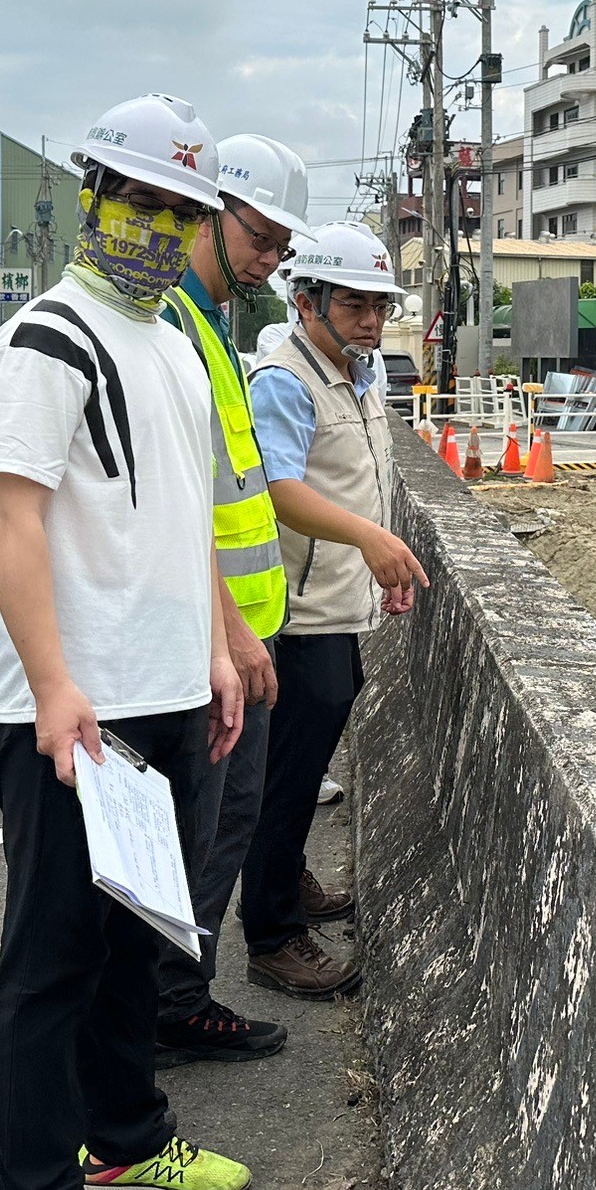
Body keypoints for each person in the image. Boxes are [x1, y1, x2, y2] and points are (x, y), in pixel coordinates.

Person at [0, 94, 253, 1190]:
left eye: (178, 207)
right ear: (92, 193)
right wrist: (50, 686)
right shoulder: (46, 334)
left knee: (138, 944)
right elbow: (8, 515)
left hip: (170, 688)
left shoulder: (176, 338)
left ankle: (128, 1136)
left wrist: (220, 649)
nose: (156, 223)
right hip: (81, 708)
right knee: (49, 965)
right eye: (137, 196)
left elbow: (184, 517)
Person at [240, 222, 428, 999]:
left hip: (339, 603)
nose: (371, 322)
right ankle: (273, 933)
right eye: (354, 304)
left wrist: (374, 564)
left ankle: (289, 883)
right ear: (305, 300)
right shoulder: (285, 379)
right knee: (285, 779)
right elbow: (281, 490)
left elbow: (360, 478)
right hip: (300, 611)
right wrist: (371, 540)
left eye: (379, 307)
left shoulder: (357, 371)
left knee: (308, 761)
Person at [153, 134, 308, 1064]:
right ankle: (169, 1004)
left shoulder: (212, 322)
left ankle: (176, 995)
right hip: (212, 632)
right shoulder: (174, 323)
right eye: (259, 235)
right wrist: (233, 632)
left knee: (225, 819)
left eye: (282, 247)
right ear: (211, 213)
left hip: (238, 624)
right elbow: (178, 500)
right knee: (203, 823)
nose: (269, 258)